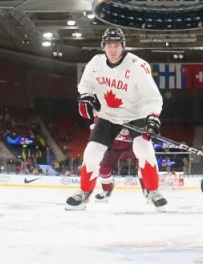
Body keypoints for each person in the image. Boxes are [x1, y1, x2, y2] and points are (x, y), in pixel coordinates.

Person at [67, 28, 167, 211]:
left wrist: (152, 117)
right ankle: (84, 192)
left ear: (123, 46)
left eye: (117, 45)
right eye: (109, 45)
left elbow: (153, 97)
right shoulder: (95, 63)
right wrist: (86, 97)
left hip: (136, 115)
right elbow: (85, 85)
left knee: (143, 149)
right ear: (103, 46)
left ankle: (153, 191)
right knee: (91, 153)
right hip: (108, 116)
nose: (112, 49)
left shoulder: (138, 65)